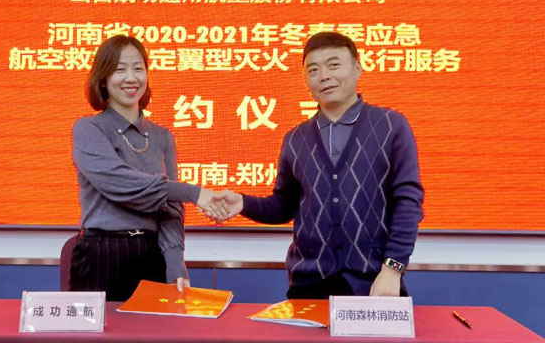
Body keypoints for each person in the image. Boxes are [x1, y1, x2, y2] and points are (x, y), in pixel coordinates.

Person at [214, 32, 424, 298]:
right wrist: (243, 203)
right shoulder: (295, 138)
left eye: (333, 65)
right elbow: (284, 206)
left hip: (375, 284)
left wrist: (393, 269)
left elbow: (408, 202)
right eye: (313, 70)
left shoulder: (391, 125)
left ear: (358, 68)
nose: (323, 76)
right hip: (308, 284)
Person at [69, 35, 227, 301]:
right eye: (120, 69)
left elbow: (171, 208)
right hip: (101, 253)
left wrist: (175, 262)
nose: (131, 78)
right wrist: (195, 193)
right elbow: (121, 184)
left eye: (138, 68)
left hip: (152, 255)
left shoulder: (162, 136)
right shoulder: (89, 128)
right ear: (103, 78)